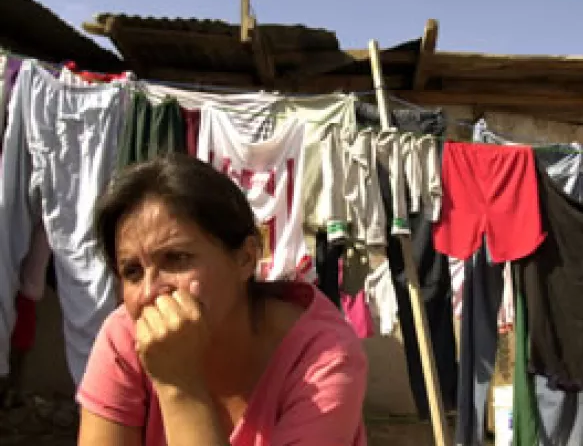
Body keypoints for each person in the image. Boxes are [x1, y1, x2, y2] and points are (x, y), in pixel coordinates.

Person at [76, 154, 368, 445]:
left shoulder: (322, 359)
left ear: (245, 258)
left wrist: (180, 386)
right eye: (133, 271)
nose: (149, 293)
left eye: (177, 258)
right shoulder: (125, 337)